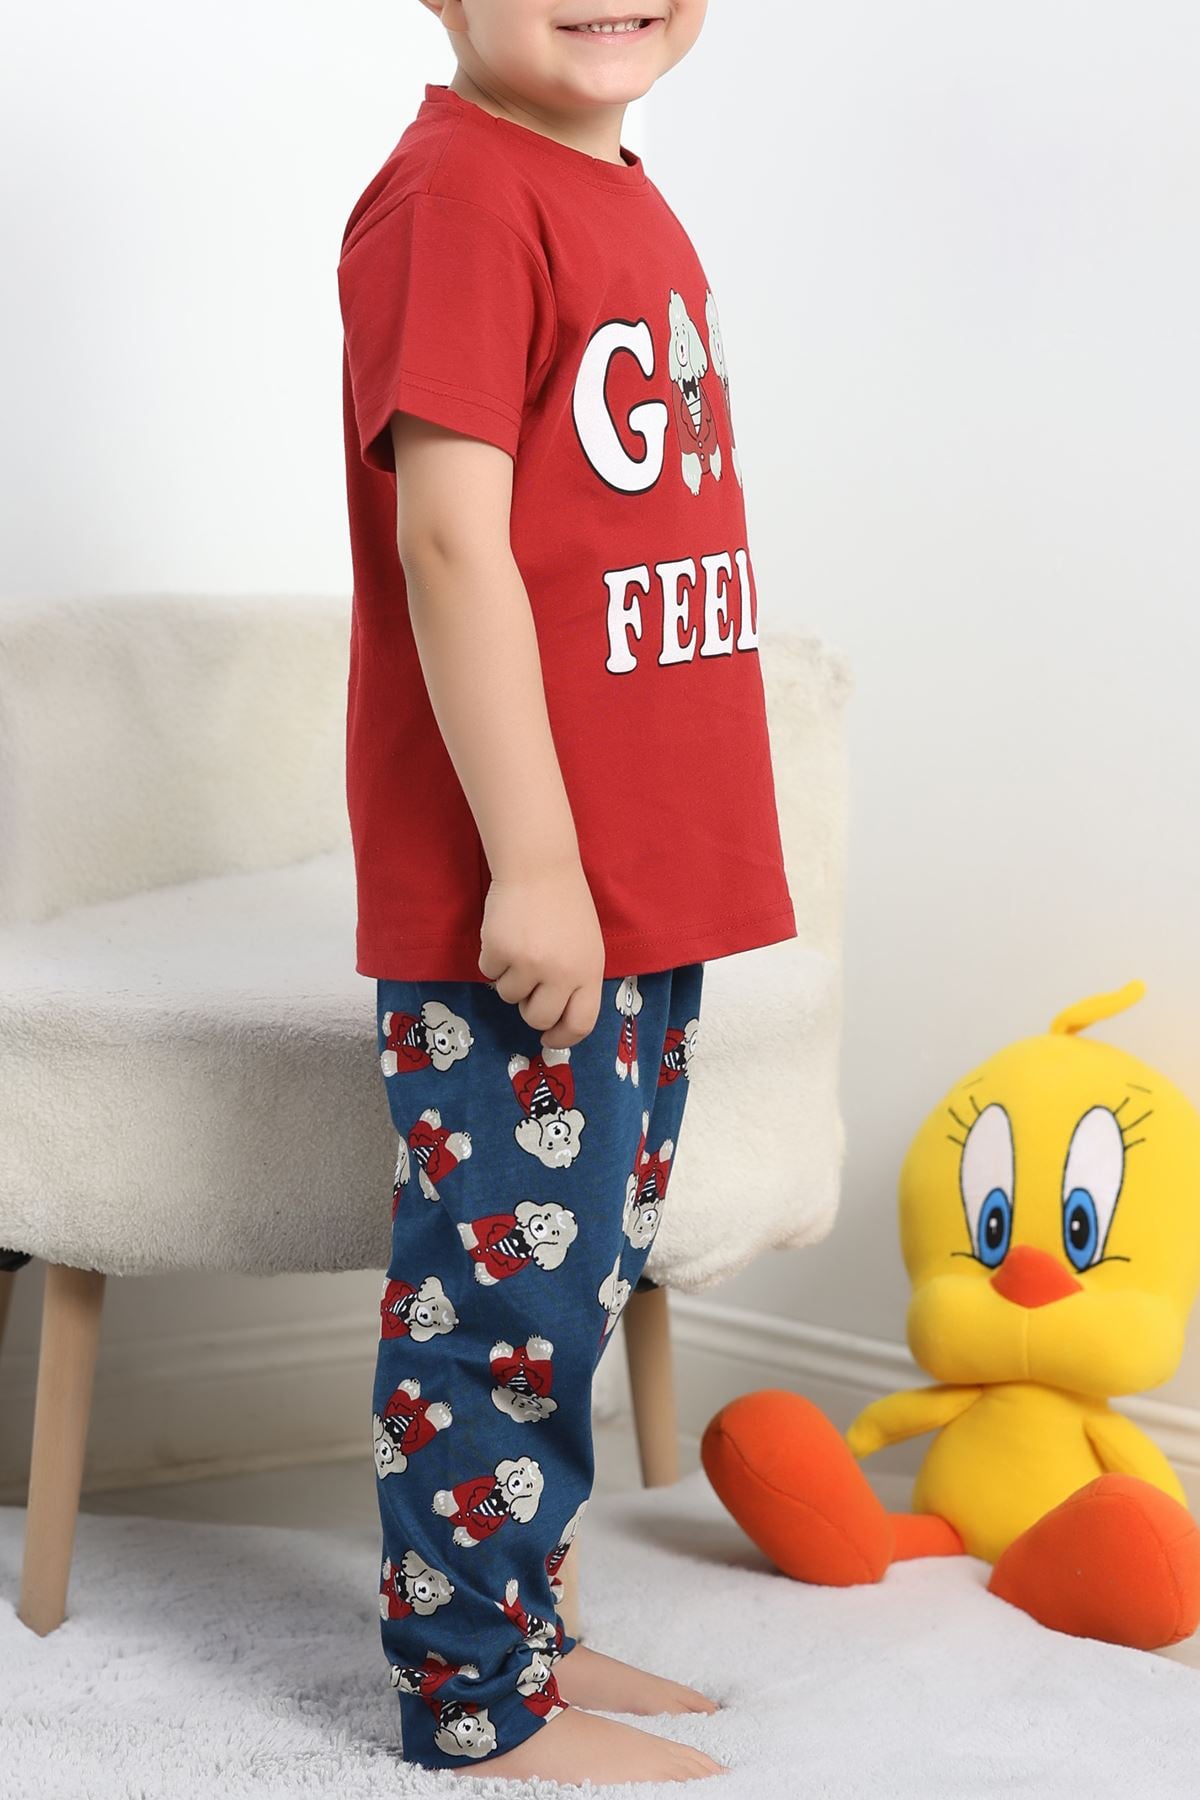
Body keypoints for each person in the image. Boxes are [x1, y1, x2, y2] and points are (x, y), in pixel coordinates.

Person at [336, 0, 797, 1782]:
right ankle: (469, 1696)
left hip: (642, 887)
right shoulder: (456, 195)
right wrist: (534, 862)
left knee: (575, 1278)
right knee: (498, 1303)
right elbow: (450, 536)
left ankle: (526, 1628)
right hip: (532, 903)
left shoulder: (615, 190)